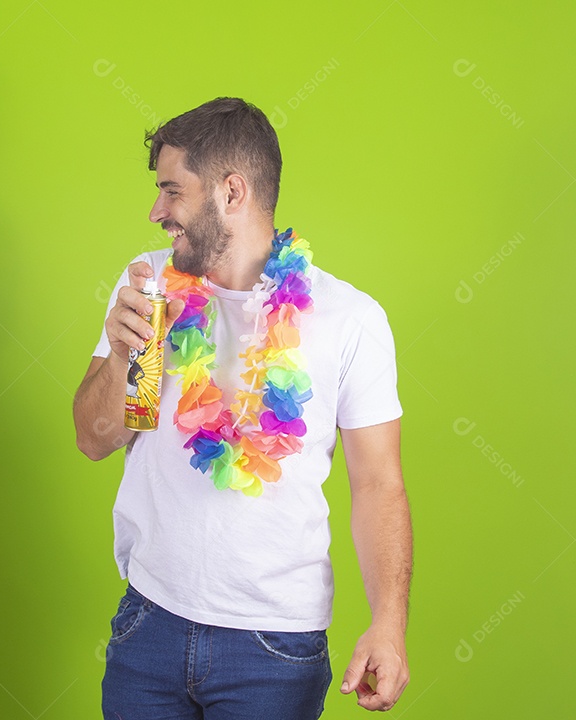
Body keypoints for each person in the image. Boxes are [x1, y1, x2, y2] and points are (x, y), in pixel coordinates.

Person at [73, 97, 411, 718]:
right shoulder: (149, 284)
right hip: (149, 620)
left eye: (172, 191)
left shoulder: (350, 318)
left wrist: (388, 624)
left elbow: (378, 483)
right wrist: (127, 356)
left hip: (274, 645)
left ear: (232, 192)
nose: (156, 213)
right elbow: (95, 439)